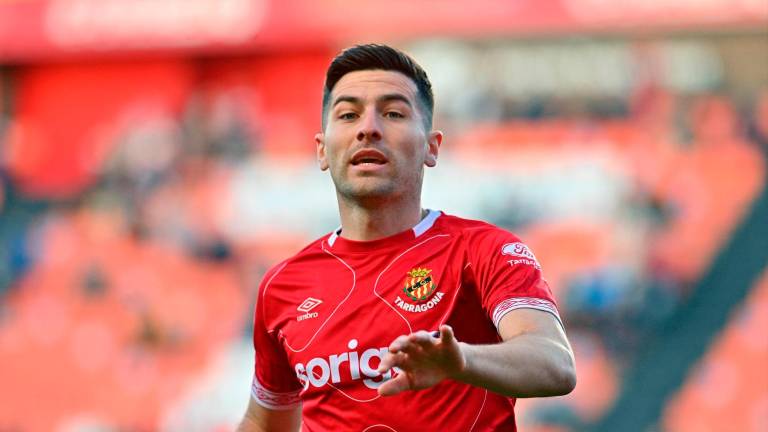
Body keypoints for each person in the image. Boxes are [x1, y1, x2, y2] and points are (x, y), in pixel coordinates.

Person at [237, 44, 576, 431]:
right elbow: (265, 422)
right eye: (348, 114)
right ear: (322, 150)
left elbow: (555, 364)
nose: (368, 128)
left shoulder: (483, 250)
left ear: (431, 147)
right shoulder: (282, 286)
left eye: (394, 113)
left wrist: (462, 362)